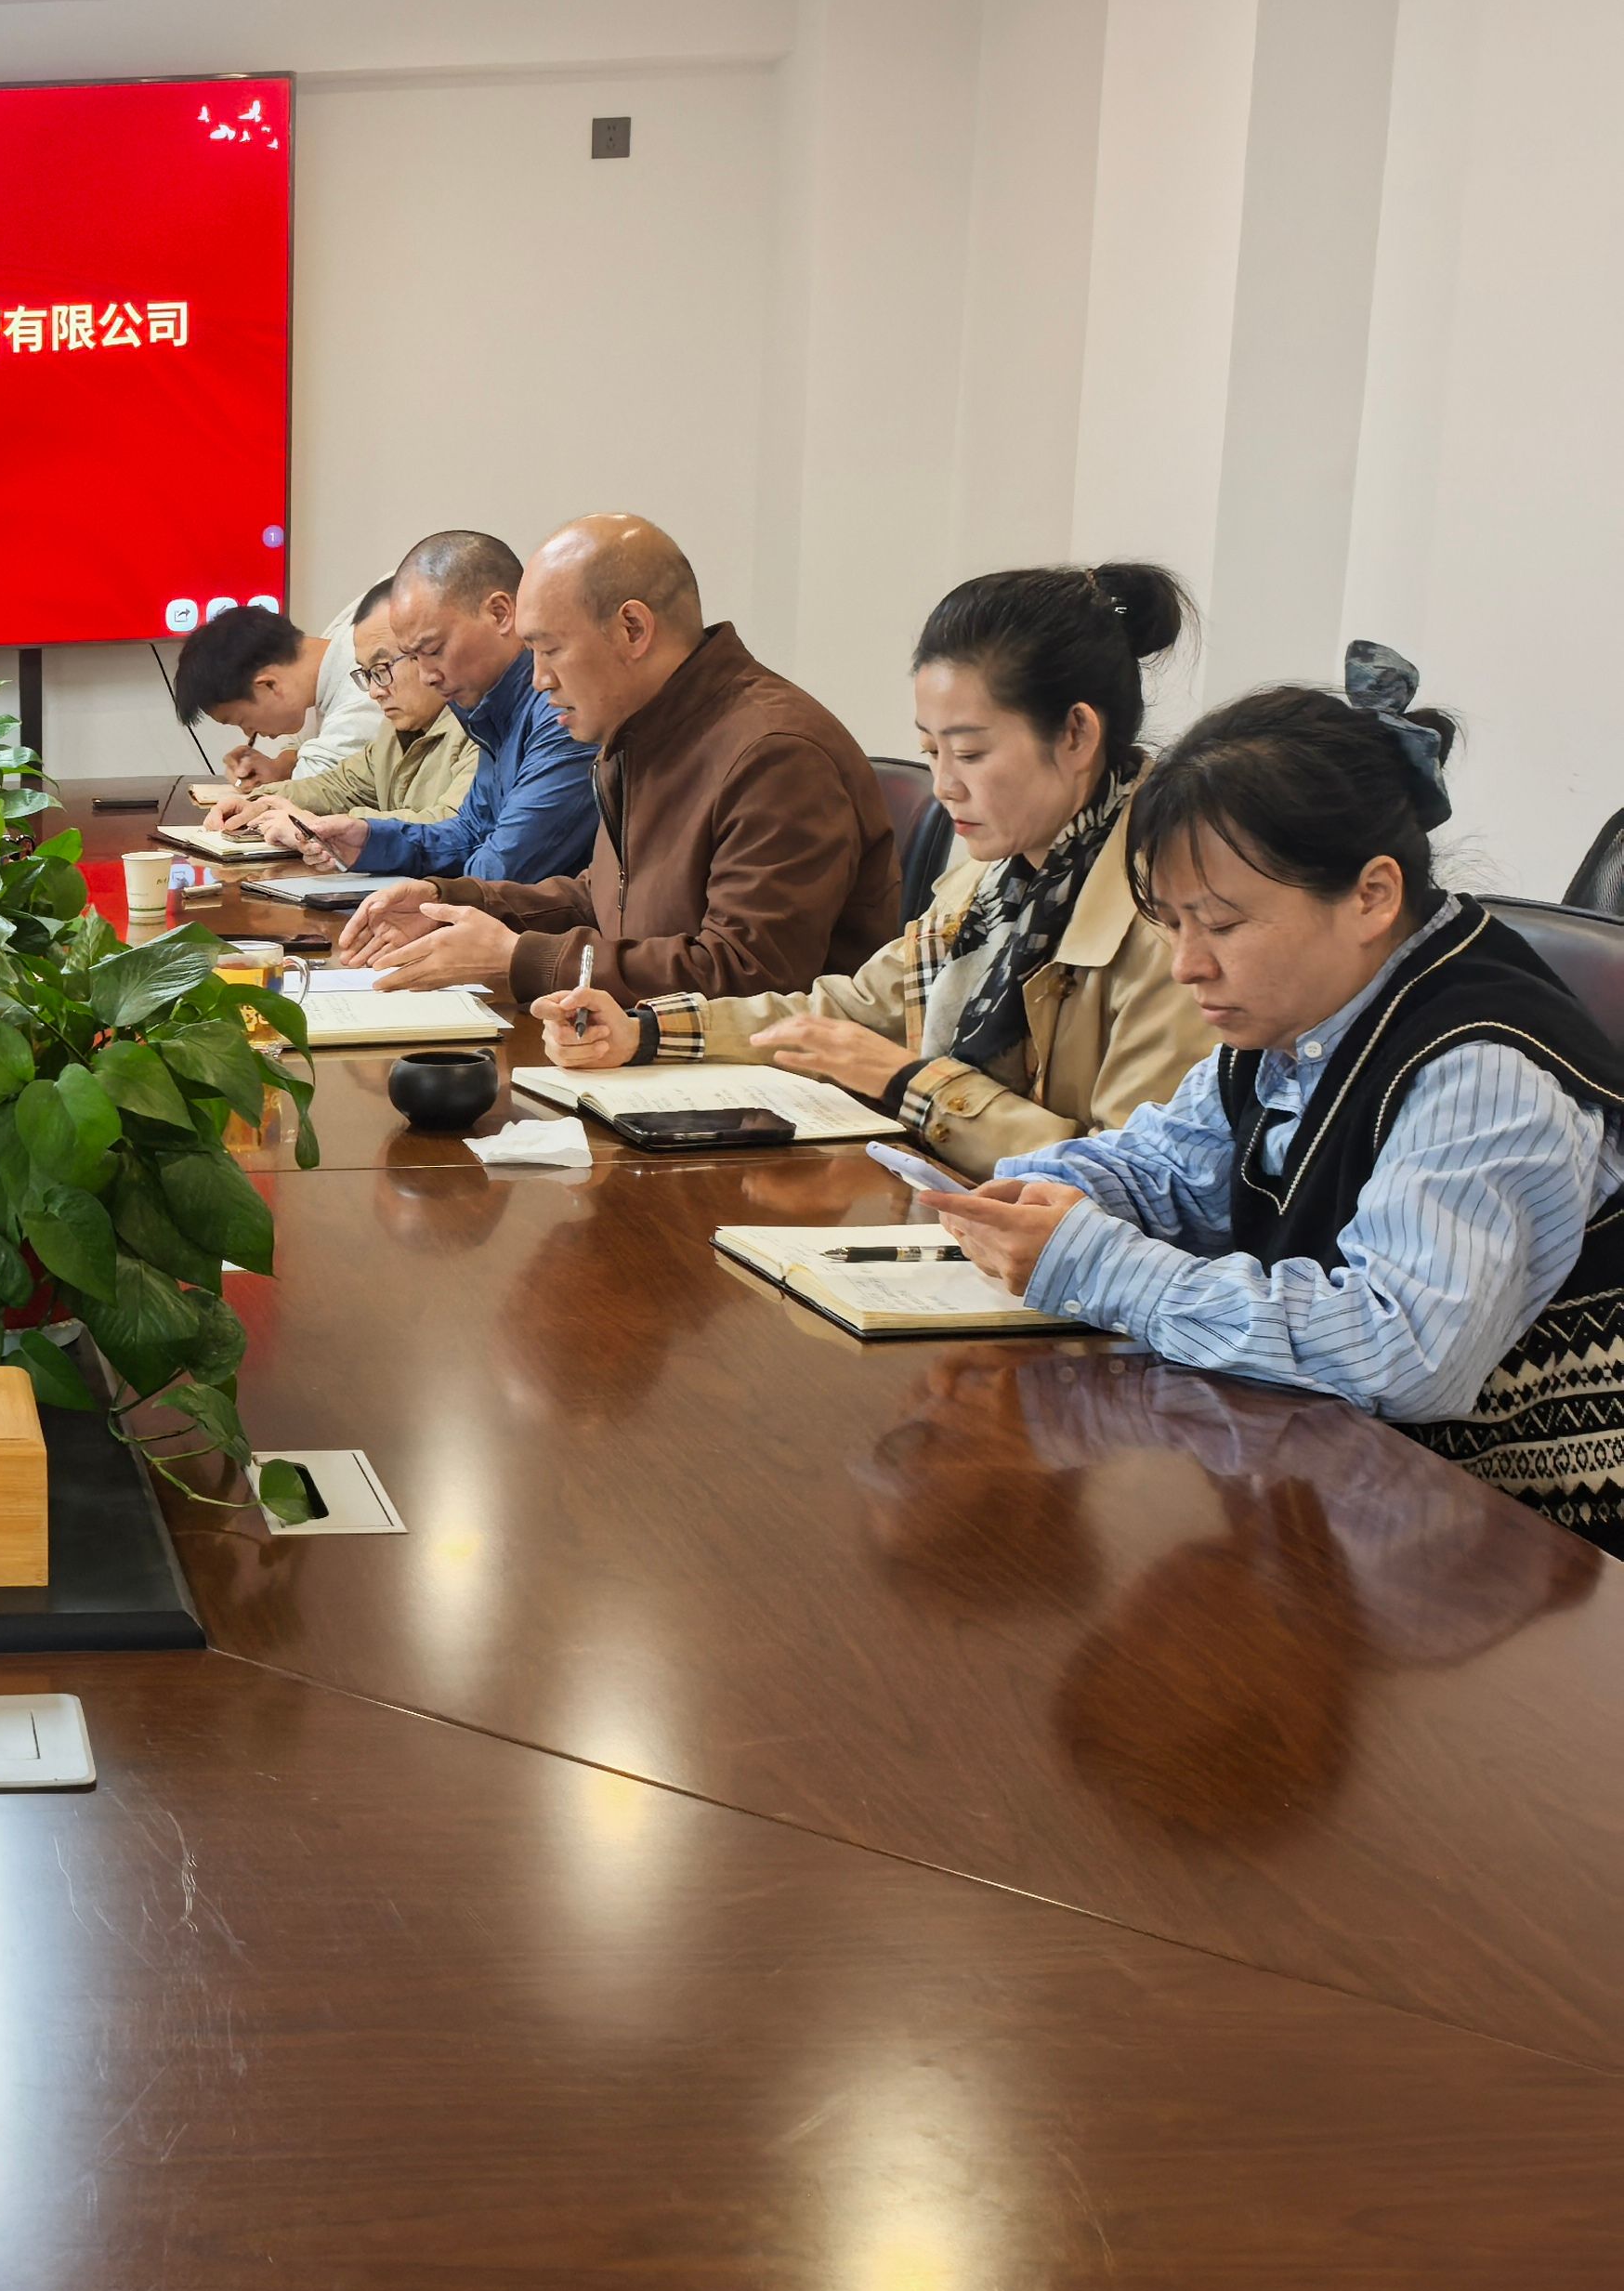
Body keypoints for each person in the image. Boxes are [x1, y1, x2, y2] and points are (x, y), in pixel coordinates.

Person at [930, 653, 1624, 1551]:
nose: (1188, 965)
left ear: (1372, 895)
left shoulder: (1483, 1069)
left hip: (1522, 1555)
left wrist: (1098, 1265)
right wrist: (1038, 1194)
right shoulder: (1300, 1016)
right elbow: (1173, 1169)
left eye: (1221, 925)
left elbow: (1401, 1351)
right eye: (1171, 924)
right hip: (1339, 1506)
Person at [536, 564, 1218, 1175]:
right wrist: (644, 1031)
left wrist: (910, 1083)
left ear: (1076, 734)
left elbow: (1135, 1178)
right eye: (931, 754)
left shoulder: (1175, 922)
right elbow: (853, 1009)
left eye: (970, 754)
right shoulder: (1001, 881)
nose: (945, 786)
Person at [339, 515, 896, 1001]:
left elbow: (748, 975)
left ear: (633, 629)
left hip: (760, 1077)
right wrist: (451, 902)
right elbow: (601, 903)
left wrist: (519, 958)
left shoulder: (773, 754)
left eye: (550, 649)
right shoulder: (642, 730)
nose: (539, 679)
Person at [297, 529, 599, 891]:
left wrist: (431, 896)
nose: (427, 676)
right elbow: (470, 832)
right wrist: (370, 841)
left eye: (433, 650)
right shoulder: (490, 708)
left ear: (500, 614)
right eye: (414, 657)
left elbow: (502, 872)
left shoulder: (560, 712)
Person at [231, 581, 478, 863]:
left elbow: (456, 827)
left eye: (381, 669)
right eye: (367, 674)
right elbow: (342, 786)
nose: (374, 691)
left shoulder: (480, 729)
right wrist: (258, 802)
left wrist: (315, 825)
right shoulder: (396, 729)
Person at [172, 596, 377, 789]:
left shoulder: (363, 695)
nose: (249, 733)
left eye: (243, 722)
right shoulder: (337, 641)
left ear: (268, 685)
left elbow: (308, 792)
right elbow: (308, 741)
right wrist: (281, 767)